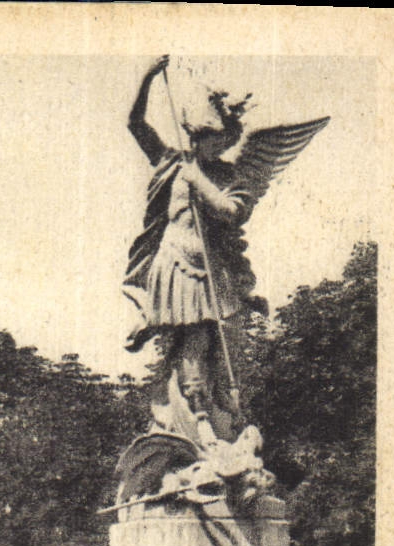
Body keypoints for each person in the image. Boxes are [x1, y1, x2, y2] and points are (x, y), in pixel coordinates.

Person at [123, 55, 329, 450]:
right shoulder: (171, 162)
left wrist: (197, 178)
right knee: (195, 340)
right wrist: (147, 76)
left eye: (222, 141)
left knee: (227, 340)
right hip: (176, 264)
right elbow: (136, 125)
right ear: (196, 136)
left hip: (214, 267)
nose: (217, 146)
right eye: (209, 139)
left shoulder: (226, 175)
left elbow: (232, 212)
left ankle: (222, 416)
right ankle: (197, 418)